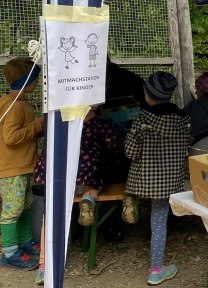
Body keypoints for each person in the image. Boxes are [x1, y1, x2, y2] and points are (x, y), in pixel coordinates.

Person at [33, 105, 124, 283]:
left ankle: (44, 267)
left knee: (49, 215)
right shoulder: (100, 123)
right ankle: (89, 199)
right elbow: (116, 146)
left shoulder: (57, 120)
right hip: (85, 175)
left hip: (56, 175)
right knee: (95, 179)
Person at [122, 72, 192, 286]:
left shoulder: (142, 119)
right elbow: (187, 146)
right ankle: (156, 269)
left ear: (146, 94)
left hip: (143, 180)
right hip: (171, 181)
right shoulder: (184, 119)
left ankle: (129, 198)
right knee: (159, 218)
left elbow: (131, 153)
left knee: (154, 216)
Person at [0, 57, 44, 270]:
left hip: (23, 166)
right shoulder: (14, 107)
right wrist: (36, 126)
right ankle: (9, 252)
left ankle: (25, 241)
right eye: (36, 78)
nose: (38, 82)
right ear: (27, 82)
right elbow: (10, 137)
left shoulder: (19, 103)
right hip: (12, 168)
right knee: (12, 209)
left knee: (25, 205)